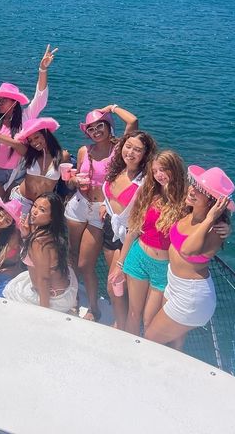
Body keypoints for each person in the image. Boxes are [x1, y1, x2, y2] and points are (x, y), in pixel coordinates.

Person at [145, 165, 235, 349]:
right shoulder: (188, 212)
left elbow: (187, 250)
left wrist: (210, 218)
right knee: (173, 342)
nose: (192, 190)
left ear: (213, 202)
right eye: (194, 184)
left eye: (200, 191)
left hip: (191, 295)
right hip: (175, 285)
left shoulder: (215, 229)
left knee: (150, 340)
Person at [64, 105, 138, 321]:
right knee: (71, 255)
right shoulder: (83, 151)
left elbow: (133, 122)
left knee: (85, 264)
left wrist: (112, 108)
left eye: (100, 126)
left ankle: (94, 308)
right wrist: (73, 181)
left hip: (101, 211)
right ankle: (74, 300)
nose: (96, 131)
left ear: (108, 127)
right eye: (91, 128)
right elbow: (72, 180)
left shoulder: (119, 151)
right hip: (77, 205)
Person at [0, 45, 57, 224]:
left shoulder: (26, 117)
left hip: (18, 176)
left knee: (10, 218)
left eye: (3, 100)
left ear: (14, 102)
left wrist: (43, 70)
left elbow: (40, 99)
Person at [114, 151, 187, 335]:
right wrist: (120, 265)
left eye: (163, 169)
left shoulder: (186, 200)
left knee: (149, 320)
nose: (158, 175)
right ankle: (130, 353)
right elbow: (133, 231)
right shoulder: (149, 194)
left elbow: (211, 206)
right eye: (155, 171)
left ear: (175, 169)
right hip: (138, 258)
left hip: (163, 267)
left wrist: (223, 224)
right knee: (133, 313)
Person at [99, 130, 157, 327]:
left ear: (145, 155)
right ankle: (120, 321)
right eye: (128, 146)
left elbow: (174, 195)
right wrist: (104, 206)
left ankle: (122, 326)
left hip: (129, 238)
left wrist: (219, 220)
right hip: (109, 231)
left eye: (137, 150)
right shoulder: (117, 169)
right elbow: (110, 196)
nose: (130, 152)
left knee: (113, 284)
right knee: (117, 287)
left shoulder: (147, 180)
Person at [3, 192, 78, 313]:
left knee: (11, 290)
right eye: (35, 206)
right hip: (65, 286)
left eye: (42, 210)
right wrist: (26, 235)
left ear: (52, 217)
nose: (34, 211)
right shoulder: (51, 233)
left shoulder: (39, 241)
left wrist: (44, 313)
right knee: (19, 281)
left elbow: (44, 278)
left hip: (55, 298)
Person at [0, 117, 69, 216]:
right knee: (13, 231)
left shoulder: (63, 156)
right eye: (30, 140)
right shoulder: (30, 153)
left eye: (36, 137)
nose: (34, 143)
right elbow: (13, 143)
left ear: (46, 134)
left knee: (35, 231)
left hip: (42, 206)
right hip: (20, 200)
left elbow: (67, 182)